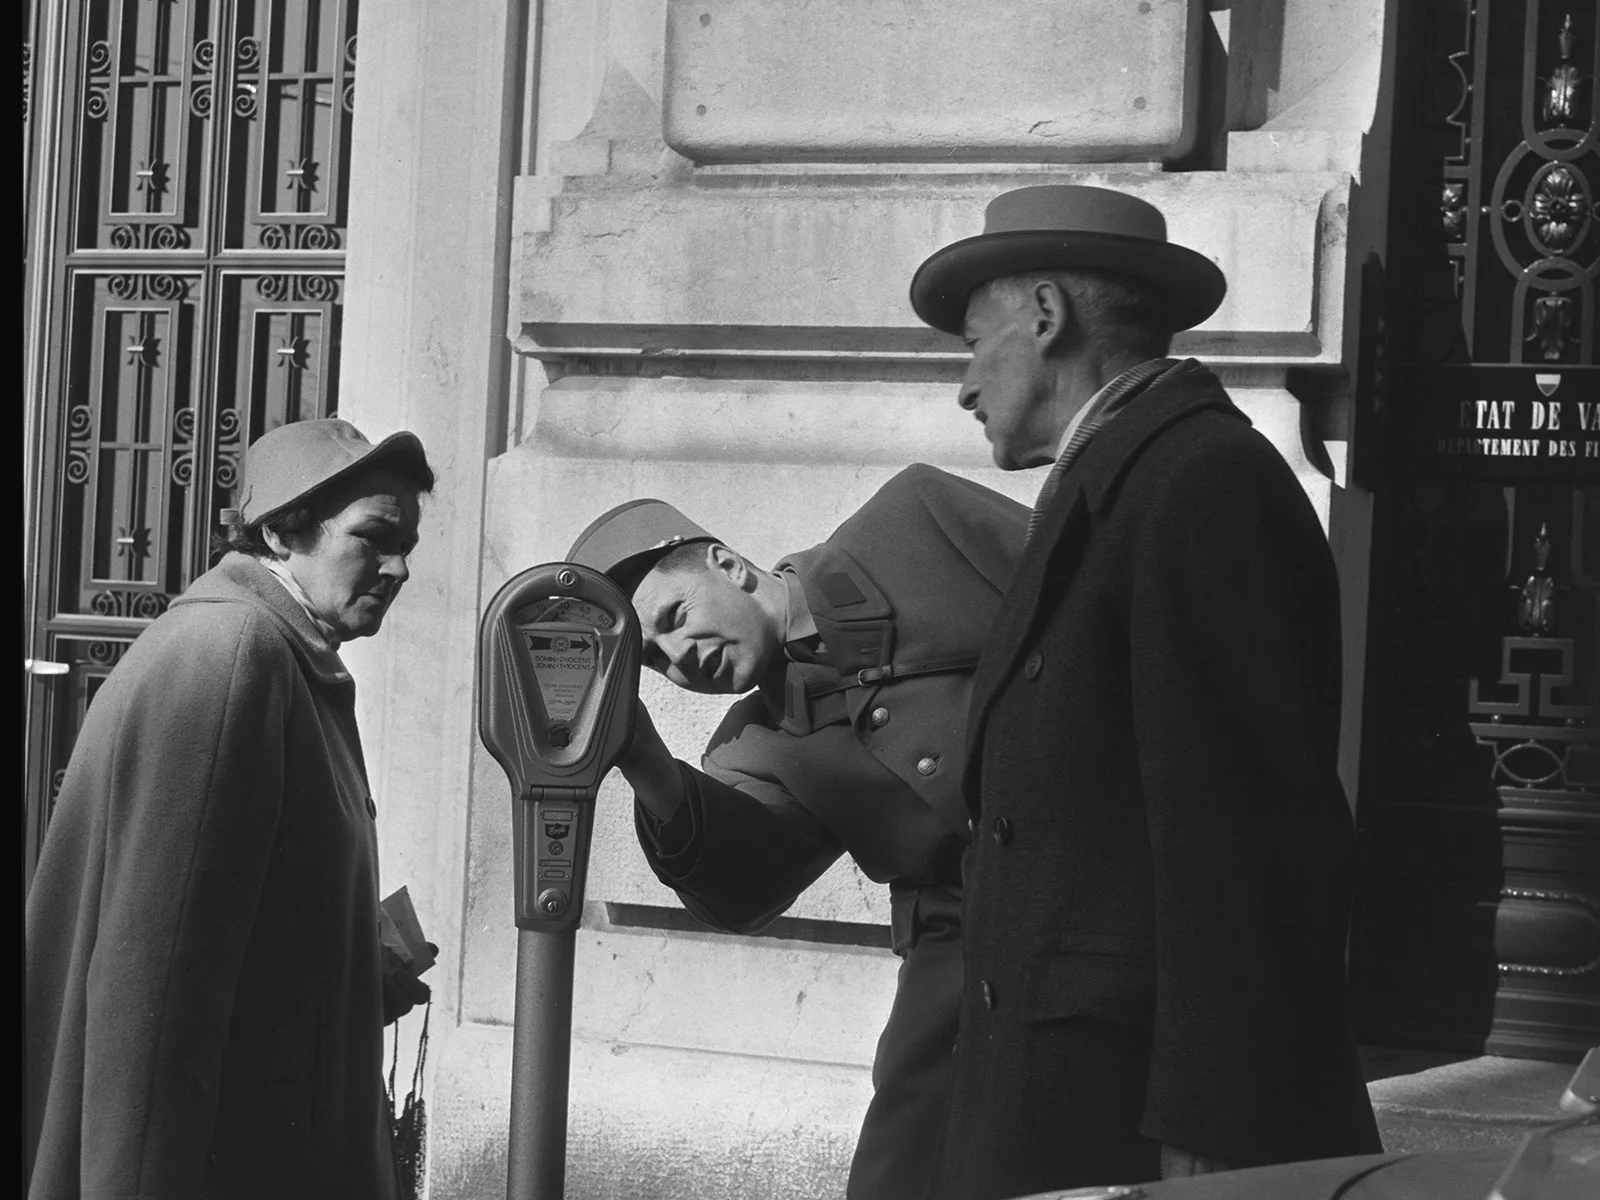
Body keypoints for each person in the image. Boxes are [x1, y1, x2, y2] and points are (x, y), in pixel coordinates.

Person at [908, 184, 1383, 1198]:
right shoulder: (1118, 480)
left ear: (1046, 315)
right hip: (1061, 1101)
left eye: (970, 343)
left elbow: (1246, 837)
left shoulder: (1196, 481)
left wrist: (1211, 1123)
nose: (962, 387)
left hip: (1134, 1125)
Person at [567, 465, 1027, 1200]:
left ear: (726, 563)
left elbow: (1102, 601)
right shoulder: (751, 749)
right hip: (961, 946)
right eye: (653, 660)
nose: (678, 658)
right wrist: (645, 758)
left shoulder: (915, 520)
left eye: (674, 617)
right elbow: (738, 889)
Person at [26, 419, 436, 1200]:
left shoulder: (274, 651)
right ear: (281, 532)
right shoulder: (234, 654)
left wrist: (351, 965)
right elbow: (154, 991)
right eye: (375, 536)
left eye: (408, 543)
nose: (399, 567)